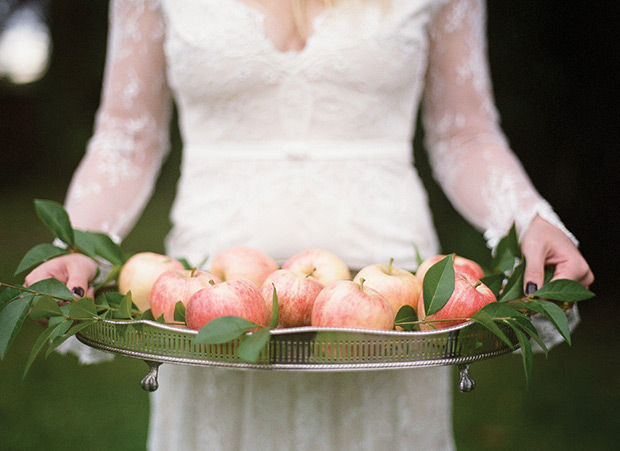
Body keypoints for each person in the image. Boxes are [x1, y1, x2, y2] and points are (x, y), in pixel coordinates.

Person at [24, 0, 594, 449]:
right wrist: (77, 243)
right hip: (210, 314)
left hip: (393, 316)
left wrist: (529, 218)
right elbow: (127, 137)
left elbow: (464, 133)